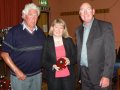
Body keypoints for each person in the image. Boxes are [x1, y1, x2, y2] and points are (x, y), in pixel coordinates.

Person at [1, 3, 46, 90]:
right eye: (31, 15)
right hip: (20, 76)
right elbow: (4, 54)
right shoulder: (13, 32)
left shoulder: (40, 33)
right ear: (24, 16)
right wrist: (16, 71)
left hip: (37, 75)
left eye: (36, 15)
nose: (34, 18)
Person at [76, 2, 115, 90]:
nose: (85, 13)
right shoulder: (78, 30)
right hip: (84, 74)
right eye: (82, 10)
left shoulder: (105, 27)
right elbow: (79, 53)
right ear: (80, 14)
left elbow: (110, 54)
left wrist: (106, 76)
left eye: (88, 9)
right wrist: (80, 75)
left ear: (93, 11)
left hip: (100, 75)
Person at [42, 18, 76, 90]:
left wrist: (69, 61)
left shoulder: (68, 40)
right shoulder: (47, 42)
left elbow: (75, 57)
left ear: (64, 30)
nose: (58, 30)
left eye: (61, 28)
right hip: (53, 77)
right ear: (52, 28)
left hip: (68, 76)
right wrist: (52, 65)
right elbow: (43, 61)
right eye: (56, 27)